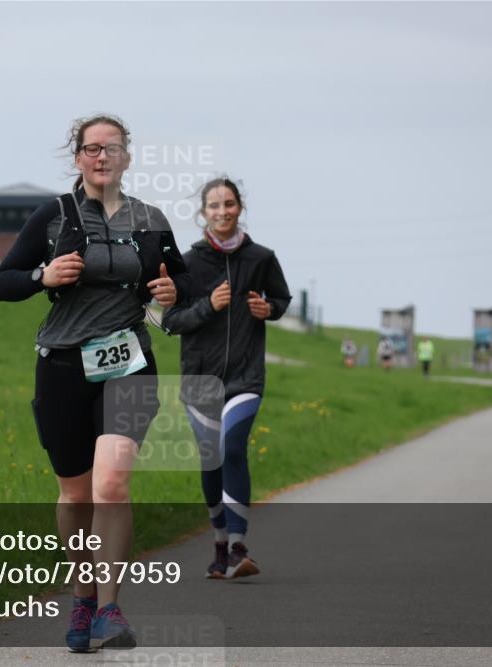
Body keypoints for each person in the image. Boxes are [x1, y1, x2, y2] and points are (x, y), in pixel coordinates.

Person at [0, 115, 190, 651]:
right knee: (76, 494)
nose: (102, 157)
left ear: (127, 157)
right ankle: (82, 597)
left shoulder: (150, 220)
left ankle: (109, 608)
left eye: (113, 148)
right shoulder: (52, 215)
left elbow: (182, 288)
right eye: (91, 149)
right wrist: (42, 276)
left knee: (111, 485)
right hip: (61, 367)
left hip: (128, 365)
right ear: (76, 157)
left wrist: (169, 295)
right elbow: (2, 283)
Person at [162, 177, 291, 580]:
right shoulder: (189, 262)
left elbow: (281, 299)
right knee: (211, 459)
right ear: (203, 212)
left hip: (245, 377)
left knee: (231, 446)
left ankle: (237, 546)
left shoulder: (262, 258)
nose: (222, 212)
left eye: (229, 204)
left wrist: (267, 310)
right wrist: (209, 306)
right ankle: (219, 542)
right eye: (214, 206)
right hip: (200, 379)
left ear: (240, 208)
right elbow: (172, 321)